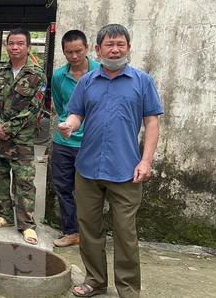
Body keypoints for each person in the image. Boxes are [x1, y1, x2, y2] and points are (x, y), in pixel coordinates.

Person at [59, 24, 163, 298]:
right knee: (89, 229)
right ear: (98, 49)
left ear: (128, 47)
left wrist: (146, 161)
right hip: (88, 168)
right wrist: (69, 125)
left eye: (120, 44)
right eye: (109, 44)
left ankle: (128, 290)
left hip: (127, 170)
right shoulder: (87, 82)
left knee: (125, 234)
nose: (115, 49)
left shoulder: (142, 81)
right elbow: (76, 114)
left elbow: (152, 122)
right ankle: (95, 281)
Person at [0, 28, 46, 245]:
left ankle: (27, 225)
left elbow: (34, 108)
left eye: (20, 43)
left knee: (24, 182)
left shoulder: (37, 74)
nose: (15, 47)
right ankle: (3, 215)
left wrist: (8, 128)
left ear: (28, 47)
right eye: (11, 43)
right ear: (6, 46)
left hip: (21, 140)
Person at [50, 30, 100, 248]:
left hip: (91, 143)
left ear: (87, 49)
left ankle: (91, 235)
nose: (74, 56)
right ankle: (71, 232)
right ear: (63, 52)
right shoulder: (59, 76)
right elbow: (62, 107)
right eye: (69, 52)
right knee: (63, 187)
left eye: (78, 51)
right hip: (64, 143)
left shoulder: (101, 72)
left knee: (90, 190)